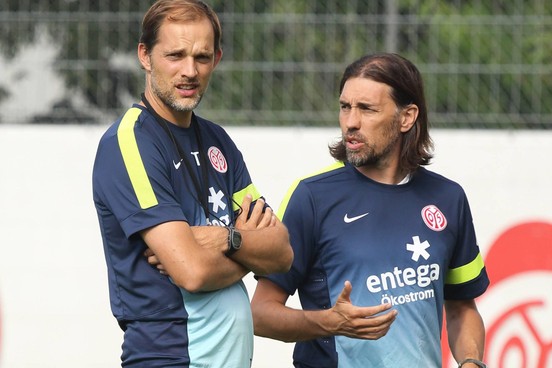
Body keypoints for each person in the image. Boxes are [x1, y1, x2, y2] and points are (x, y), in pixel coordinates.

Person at [251, 53, 489, 368]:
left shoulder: (448, 197)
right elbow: (260, 314)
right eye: (345, 107)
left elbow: (461, 307)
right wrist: (330, 322)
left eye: (366, 109)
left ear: (407, 117)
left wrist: (471, 362)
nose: (350, 122)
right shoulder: (313, 197)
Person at [92, 1, 293, 367]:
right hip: (171, 357)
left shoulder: (218, 141)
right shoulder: (131, 142)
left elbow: (281, 253)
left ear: (216, 58)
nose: (190, 71)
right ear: (145, 55)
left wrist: (225, 239)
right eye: (175, 55)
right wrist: (247, 246)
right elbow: (193, 272)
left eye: (201, 57)